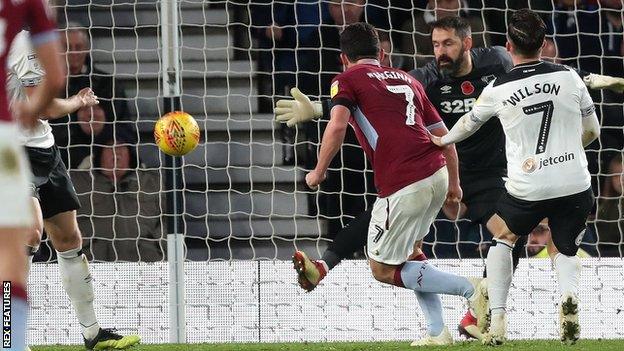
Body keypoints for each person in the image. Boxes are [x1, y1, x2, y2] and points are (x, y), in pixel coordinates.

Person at [275, 14, 624, 341]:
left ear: (467, 44)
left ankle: (477, 307)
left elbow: (540, 71)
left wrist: (590, 80)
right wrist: (321, 106)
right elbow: (380, 98)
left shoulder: (497, 63)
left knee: (506, 235)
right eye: (436, 44)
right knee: (407, 244)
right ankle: (439, 326)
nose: (440, 52)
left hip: (485, 173)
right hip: (443, 165)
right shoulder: (423, 77)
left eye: (448, 44)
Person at [302, 22, 489, 346]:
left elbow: (337, 126)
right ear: (382, 53)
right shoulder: (408, 79)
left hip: (405, 179)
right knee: (411, 253)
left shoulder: (346, 79)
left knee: (382, 268)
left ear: (343, 58)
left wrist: (318, 172)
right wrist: (454, 186)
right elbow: (446, 137)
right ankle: (436, 332)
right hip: (436, 172)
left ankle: (472, 290)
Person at [430, 9, 600, 345]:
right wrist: (567, 148)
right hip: (576, 182)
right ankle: (569, 300)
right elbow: (593, 132)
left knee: (505, 238)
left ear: (509, 46)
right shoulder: (569, 76)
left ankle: (497, 318)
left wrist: (442, 140)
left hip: (528, 184)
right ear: (544, 45)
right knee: (564, 249)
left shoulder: (498, 86)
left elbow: (468, 124)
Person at [7, 30, 141, 350]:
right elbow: (46, 107)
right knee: (29, 233)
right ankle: (10, 337)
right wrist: (78, 101)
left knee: (69, 239)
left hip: (43, 149)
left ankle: (92, 332)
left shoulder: (27, 37)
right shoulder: (18, 42)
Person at [0, 1, 65, 350]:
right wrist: (31, 110)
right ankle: (10, 343)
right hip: (4, 140)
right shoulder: (29, 7)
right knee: (14, 248)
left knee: (30, 232)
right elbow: (54, 78)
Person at [71, 136, 165, 262]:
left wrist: (159, 253)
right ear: (99, 154)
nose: (117, 151)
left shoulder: (152, 183)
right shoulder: (77, 183)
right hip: (90, 264)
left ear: (130, 153)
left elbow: (167, 223)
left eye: (122, 146)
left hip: (145, 266)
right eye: (110, 146)